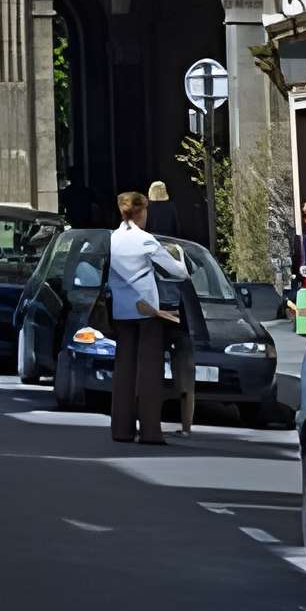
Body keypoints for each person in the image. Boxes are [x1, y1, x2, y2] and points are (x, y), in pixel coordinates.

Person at [107, 190, 188, 445]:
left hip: (122, 309)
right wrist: (180, 256)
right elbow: (177, 272)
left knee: (124, 371)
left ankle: (122, 429)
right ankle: (150, 430)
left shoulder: (112, 239)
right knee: (149, 372)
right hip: (148, 312)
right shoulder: (146, 240)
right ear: (141, 212)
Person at [157, 243, 209, 436]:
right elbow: (194, 314)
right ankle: (186, 427)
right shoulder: (185, 279)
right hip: (184, 333)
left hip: (164, 330)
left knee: (155, 378)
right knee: (186, 384)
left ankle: (152, 422)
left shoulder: (159, 279)